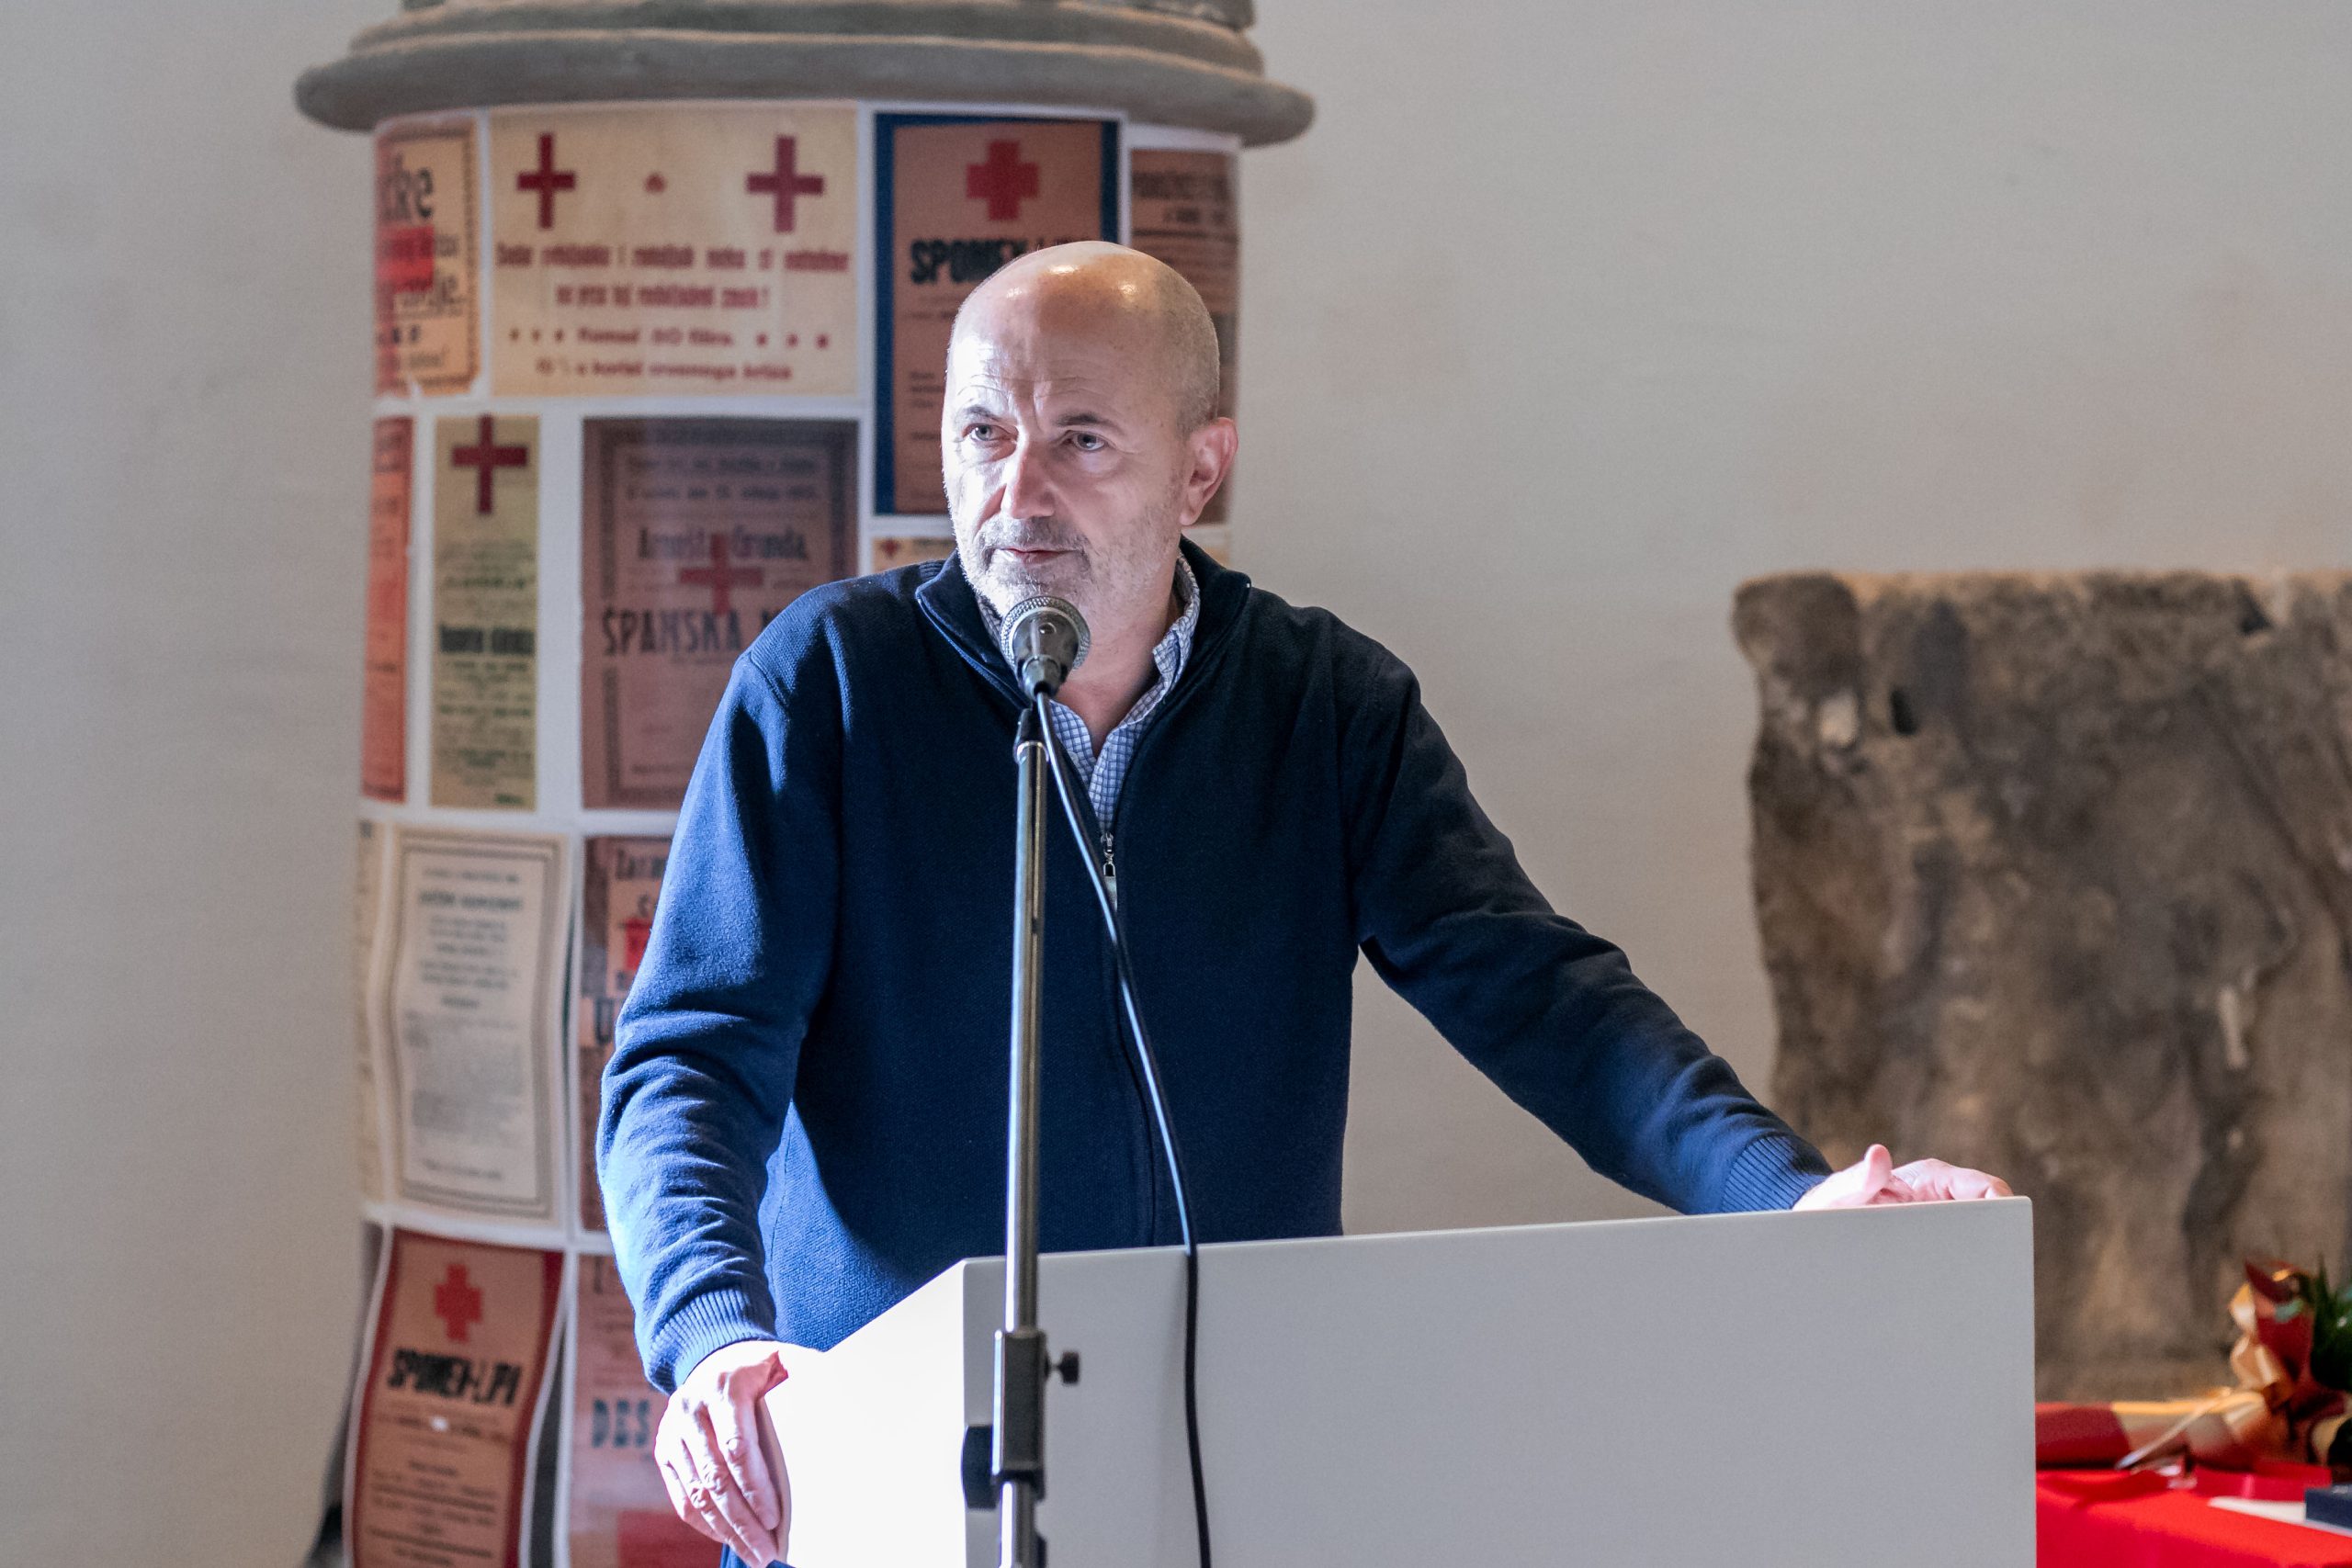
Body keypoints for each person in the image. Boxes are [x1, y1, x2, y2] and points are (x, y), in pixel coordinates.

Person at [598, 242, 2011, 1567]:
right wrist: (714, 1335)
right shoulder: (830, 684)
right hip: (889, 1452)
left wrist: (1787, 1196)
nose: (1017, 494)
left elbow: (1542, 999)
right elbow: (690, 1061)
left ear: (1201, 470)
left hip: (1220, 1450)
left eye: (1081, 441)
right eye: (982, 434)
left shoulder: (1326, 706)